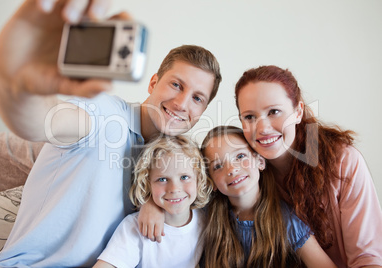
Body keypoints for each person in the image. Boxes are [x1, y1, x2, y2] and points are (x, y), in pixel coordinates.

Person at [0, 0, 222, 267]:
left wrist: (153, 204)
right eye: (176, 85)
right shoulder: (105, 114)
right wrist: (16, 84)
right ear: (153, 82)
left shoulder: (173, 165)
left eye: (197, 98)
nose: (182, 103)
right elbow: (43, 122)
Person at [234, 65, 382, 267]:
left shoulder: (344, 162)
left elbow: (367, 258)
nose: (263, 128)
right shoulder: (247, 175)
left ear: (298, 112)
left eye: (274, 111)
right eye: (250, 117)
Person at [199, 125, 336, 268]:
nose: (232, 169)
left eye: (240, 156)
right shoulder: (205, 218)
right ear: (212, 181)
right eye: (218, 166)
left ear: (260, 161)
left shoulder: (286, 219)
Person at [93, 135, 212, 268]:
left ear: (199, 180)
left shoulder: (206, 222)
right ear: (148, 183)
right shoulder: (134, 227)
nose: (174, 189)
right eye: (162, 179)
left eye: (184, 177)